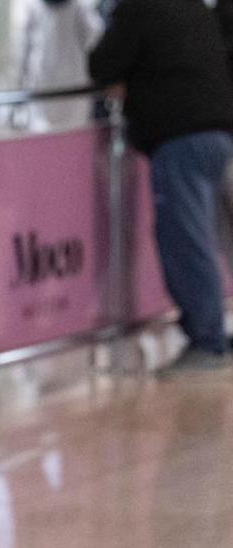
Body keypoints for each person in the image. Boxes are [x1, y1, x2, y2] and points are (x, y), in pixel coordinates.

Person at [90, 0, 233, 372]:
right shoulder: (193, 8)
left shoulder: (138, 8)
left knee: (187, 238)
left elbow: (103, 64)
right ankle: (211, 329)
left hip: (180, 135)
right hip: (215, 131)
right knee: (201, 233)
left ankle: (207, 338)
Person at [5, 0, 102, 132]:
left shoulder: (79, 6)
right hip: (55, 90)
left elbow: (20, 54)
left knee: (49, 141)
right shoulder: (31, 6)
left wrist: (16, 89)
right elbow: (95, 40)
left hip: (63, 90)